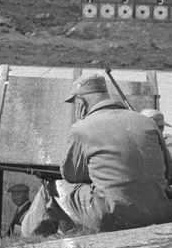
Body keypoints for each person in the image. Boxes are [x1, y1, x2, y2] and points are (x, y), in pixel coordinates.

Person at [49, 74, 172, 232]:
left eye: (74, 103)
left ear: (81, 101)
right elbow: (168, 171)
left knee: (56, 184)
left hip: (114, 217)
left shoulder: (80, 129)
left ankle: (33, 237)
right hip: (162, 213)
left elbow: (71, 176)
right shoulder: (146, 122)